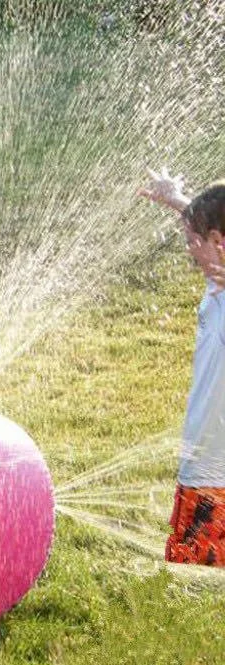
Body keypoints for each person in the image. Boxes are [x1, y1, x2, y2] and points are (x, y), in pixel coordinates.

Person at [140, 170, 225, 565]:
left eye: (194, 241)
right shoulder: (217, 287)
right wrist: (177, 200)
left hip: (215, 477)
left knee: (197, 580)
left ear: (217, 242)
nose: (189, 250)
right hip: (203, 465)